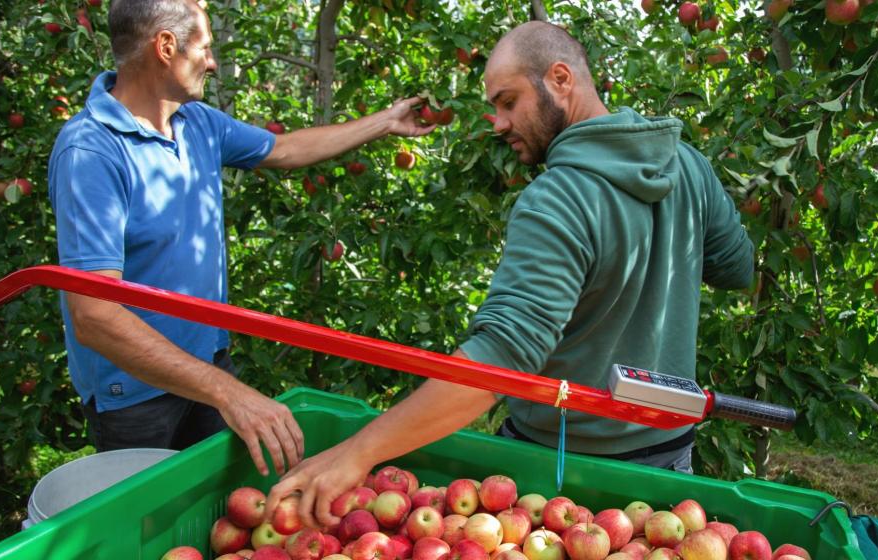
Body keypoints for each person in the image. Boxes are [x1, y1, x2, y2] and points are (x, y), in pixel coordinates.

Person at [264, 20, 754, 526]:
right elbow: (737, 267)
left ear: (560, 80)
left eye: (508, 101)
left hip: (562, 473)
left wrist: (359, 452)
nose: (498, 123)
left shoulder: (559, 198)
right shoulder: (689, 167)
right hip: (671, 462)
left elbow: (502, 359)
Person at [48, 0, 433, 477]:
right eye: (206, 48)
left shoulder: (198, 124)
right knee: (152, 536)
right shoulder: (92, 151)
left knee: (223, 522)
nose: (212, 62)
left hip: (207, 367)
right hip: (135, 398)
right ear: (166, 47)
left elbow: (286, 149)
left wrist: (386, 121)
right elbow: (95, 316)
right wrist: (228, 392)